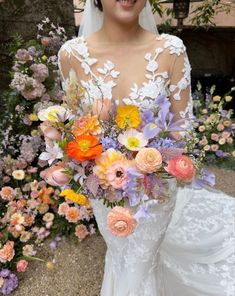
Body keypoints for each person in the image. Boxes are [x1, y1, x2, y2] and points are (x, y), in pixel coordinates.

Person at [58, 1, 235, 295]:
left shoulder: (170, 50)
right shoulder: (71, 54)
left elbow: (183, 126)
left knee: (140, 261)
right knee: (120, 255)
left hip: (156, 184)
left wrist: (157, 166)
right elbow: (77, 129)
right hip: (105, 188)